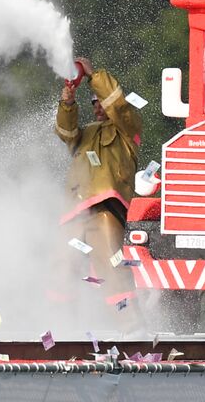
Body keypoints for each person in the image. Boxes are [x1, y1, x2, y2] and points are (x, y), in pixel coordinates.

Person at [57, 57, 143, 316]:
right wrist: (68, 102)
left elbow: (118, 105)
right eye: (93, 103)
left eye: (101, 101)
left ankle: (131, 326)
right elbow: (65, 131)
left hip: (107, 206)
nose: (97, 107)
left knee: (111, 264)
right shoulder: (85, 134)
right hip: (77, 207)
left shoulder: (128, 129)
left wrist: (94, 75)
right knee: (61, 265)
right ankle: (57, 323)